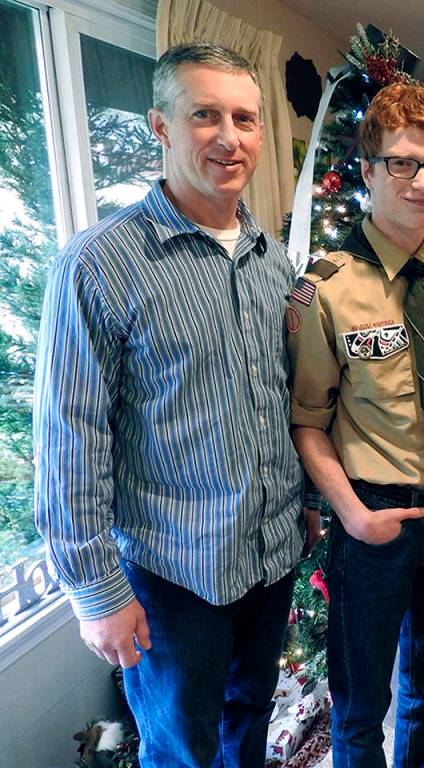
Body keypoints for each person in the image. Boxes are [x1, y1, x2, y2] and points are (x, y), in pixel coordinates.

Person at [33, 42, 318, 766]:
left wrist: (303, 502)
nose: (231, 137)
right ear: (161, 127)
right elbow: (70, 438)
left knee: (249, 720)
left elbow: (285, 398)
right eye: (206, 116)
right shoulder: (98, 265)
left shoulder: (272, 260)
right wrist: (95, 591)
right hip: (174, 574)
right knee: (181, 748)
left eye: (246, 119)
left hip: (269, 555)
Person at [287, 82, 424, 768]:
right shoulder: (327, 289)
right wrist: (351, 515)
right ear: (368, 171)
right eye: (402, 163)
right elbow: (307, 421)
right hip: (373, 520)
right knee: (361, 702)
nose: (423, 181)